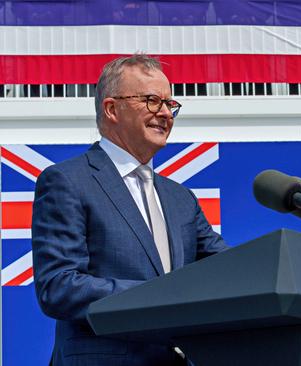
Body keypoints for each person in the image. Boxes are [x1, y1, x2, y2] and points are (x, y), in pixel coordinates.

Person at [31, 54, 229, 365]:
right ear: (112, 109)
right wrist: (160, 295)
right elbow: (58, 286)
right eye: (152, 101)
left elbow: (229, 268)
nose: (165, 113)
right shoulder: (67, 181)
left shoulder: (181, 198)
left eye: (169, 104)